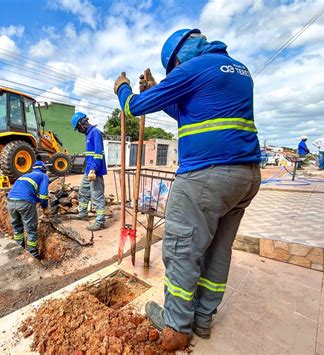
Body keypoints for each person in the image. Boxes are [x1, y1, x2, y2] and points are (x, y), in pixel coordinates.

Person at [114, 28, 261, 351]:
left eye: (174, 68)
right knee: (218, 250)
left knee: (181, 249)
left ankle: (177, 327)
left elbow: (134, 108)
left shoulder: (192, 68)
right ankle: (203, 320)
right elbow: (186, 110)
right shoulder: (238, 70)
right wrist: (159, 89)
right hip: (246, 176)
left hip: (206, 175)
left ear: (178, 57)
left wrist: (123, 89)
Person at [70, 112, 107, 231]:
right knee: (83, 191)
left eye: (78, 127)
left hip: (94, 171)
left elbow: (98, 153)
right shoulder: (88, 134)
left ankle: (100, 221)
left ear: (82, 123)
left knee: (97, 195)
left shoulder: (95, 133)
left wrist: (93, 170)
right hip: (88, 170)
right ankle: (83, 213)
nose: (78, 130)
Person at [6, 161, 50, 259]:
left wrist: (37, 200)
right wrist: (45, 207)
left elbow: (26, 193)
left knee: (17, 228)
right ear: (44, 169)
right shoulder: (43, 176)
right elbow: (43, 195)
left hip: (10, 202)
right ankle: (32, 255)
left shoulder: (25, 176)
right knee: (31, 230)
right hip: (25, 203)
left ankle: (18, 251)